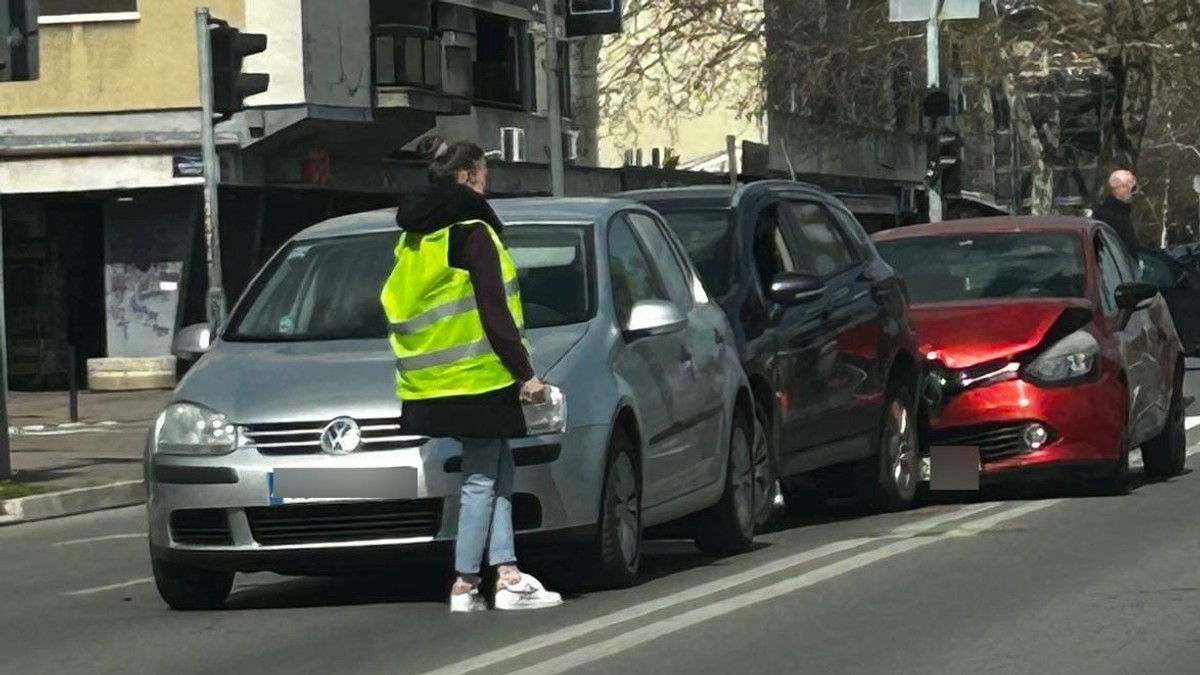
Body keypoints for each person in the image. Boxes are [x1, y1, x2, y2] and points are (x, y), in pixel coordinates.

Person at [380, 135, 563, 613]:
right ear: (467, 178)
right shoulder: (471, 231)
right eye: (484, 175)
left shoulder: (416, 235)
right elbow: (494, 311)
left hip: (431, 378)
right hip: (477, 375)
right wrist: (525, 373)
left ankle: (506, 574)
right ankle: (465, 583)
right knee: (482, 478)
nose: (488, 184)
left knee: (498, 467)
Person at [1091, 169, 1140, 255]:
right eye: (1132, 188)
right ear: (1120, 189)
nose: (1134, 193)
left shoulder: (1120, 212)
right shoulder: (1112, 215)